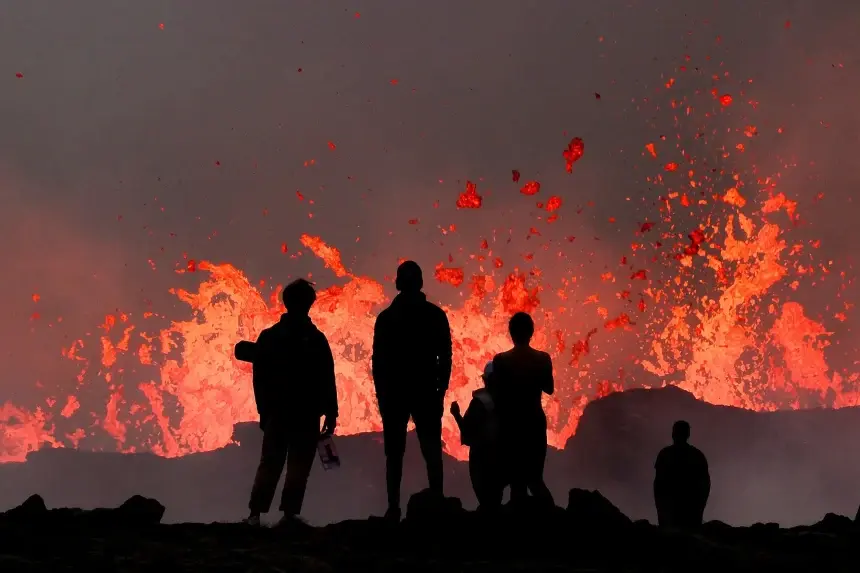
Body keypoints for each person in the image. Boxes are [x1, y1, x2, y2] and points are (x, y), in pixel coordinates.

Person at [244, 279, 338, 526]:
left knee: (271, 463)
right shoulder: (316, 339)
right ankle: (288, 515)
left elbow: (260, 379)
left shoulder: (270, 336)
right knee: (298, 464)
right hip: (306, 414)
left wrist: (264, 411)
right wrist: (331, 412)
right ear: (309, 304)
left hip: (278, 411)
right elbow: (327, 376)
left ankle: (256, 514)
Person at [372, 261, 453, 521]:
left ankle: (393, 507)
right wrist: (440, 392)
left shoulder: (386, 319)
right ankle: (437, 500)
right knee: (431, 450)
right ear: (420, 283)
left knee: (394, 454)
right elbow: (446, 358)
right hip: (426, 391)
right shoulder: (435, 315)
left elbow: (379, 363)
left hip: (395, 394)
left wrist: (382, 396)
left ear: (397, 284)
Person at [492, 312, 555, 507]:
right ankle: (552, 519)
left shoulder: (501, 360)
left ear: (511, 333)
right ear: (531, 332)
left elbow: (496, 395)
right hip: (534, 422)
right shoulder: (543, 358)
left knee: (516, 482)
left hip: (511, 425)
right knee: (535, 478)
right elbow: (549, 388)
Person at [451, 361, 504, 511]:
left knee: (486, 500)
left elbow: (468, 432)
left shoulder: (480, 403)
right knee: (495, 499)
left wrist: (456, 415)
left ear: (486, 380)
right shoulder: (510, 402)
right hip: (502, 456)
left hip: (481, 458)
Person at [653, 420, 710, 529]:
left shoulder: (665, 454)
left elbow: (658, 485)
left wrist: (661, 512)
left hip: (672, 513)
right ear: (688, 434)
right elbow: (705, 486)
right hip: (690, 514)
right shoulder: (697, 456)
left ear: (673, 433)